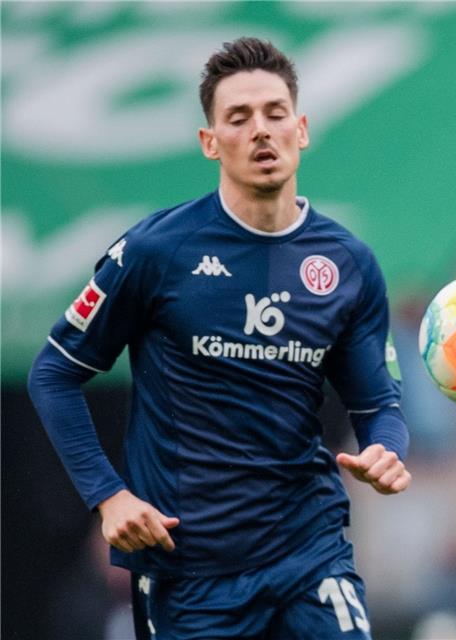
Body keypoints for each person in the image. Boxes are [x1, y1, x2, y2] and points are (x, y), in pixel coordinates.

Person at [28, 37, 411, 639]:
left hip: (308, 552)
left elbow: (376, 404)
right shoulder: (157, 251)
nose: (261, 130)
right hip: (190, 568)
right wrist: (110, 497)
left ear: (302, 129)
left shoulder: (348, 262)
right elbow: (53, 373)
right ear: (211, 142)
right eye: (239, 117)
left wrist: (386, 447)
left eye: (275, 113)